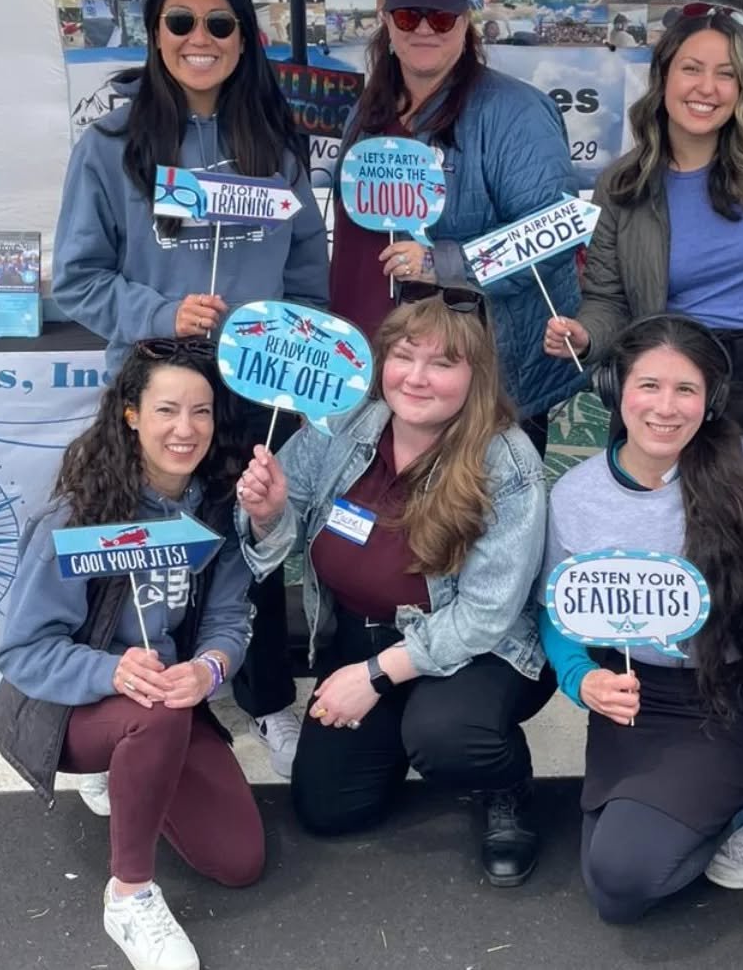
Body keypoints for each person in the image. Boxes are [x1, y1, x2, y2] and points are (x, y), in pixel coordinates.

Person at [53, 0, 328, 778]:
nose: (198, 38)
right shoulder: (109, 147)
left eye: (218, 23)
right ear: (154, 34)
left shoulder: (276, 151)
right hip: (153, 390)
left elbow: (306, 280)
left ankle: (267, 699)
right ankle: (122, 715)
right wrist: (161, 313)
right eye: (180, 21)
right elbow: (76, 279)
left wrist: (288, 351)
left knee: (250, 545)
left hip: (251, 390)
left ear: (243, 40)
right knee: (141, 547)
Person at [234, 288, 556, 886]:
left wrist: (375, 677)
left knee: (446, 735)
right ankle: (407, 728)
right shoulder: (342, 423)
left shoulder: (507, 462)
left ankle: (504, 784)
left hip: (481, 653)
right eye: (404, 356)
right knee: (328, 809)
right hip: (364, 637)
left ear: (477, 375)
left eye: (442, 363)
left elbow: (486, 615)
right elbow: (277, 533)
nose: (416, 377)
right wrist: (267, 514)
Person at [0, 339, 278, 970]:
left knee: (239, 861)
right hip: (72, 709)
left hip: (166, 702)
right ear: (131, 415)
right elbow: (22, 650)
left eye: (201, 411)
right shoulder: (78, 517)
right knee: (156, 712)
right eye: (166, 410)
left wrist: (209, 669)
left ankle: (136, 770)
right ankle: (130, 895)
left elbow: (228, 620)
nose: (185, 429)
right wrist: (110, 670)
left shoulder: (217, 511)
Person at [541, 315, 743, 922]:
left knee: (624, 881)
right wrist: (582, 678)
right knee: (612, 885)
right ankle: (712, 807)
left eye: (686, 389)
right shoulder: (574, 494)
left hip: (732, 695)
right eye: (649, 386)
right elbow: (557, 608)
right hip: (634, 698)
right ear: (616, 390)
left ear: (711, 400)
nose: (666, 407)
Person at [545, 6, 743, 489]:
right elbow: (608, 299)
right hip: (675, 383)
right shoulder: (622, 185)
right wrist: (585, 336)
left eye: (726, 74)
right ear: (663, 76)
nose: (707, 88)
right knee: (675, 523)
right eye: (692, 69)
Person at [331, 0, 584, 454]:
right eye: (409, 15)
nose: (425, 29)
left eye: (442, 18)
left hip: (481, 375)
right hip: (382, 365)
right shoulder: (368, 109)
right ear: (386, 20)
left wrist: (443, 262)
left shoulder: (515, 112)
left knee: (477, 502)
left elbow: (555, 231)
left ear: (466, 23)